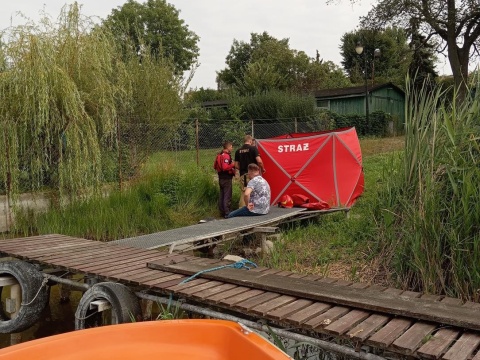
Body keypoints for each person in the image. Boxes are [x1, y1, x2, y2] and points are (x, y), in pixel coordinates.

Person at [234, 135, 265, 207]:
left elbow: (236, 165)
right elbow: (259, 161)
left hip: (243, 175)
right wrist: (262, 169)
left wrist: (243, 168)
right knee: (255, 192)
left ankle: (242, 209)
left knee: (244, 192)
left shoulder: (238, 151)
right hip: (253, 176)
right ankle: (256, 208)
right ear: (250, 141)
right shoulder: (253, 148)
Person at [216, 141, 235, 218]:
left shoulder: (220, 154)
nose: (232, 148)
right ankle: (227, 213)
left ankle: (222, 211)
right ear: (228, 147)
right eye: (231, 147)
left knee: (222, 195)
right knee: (227, 195)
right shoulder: (226, 156)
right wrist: (233, 164)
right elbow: (224, 167)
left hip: (221, 178)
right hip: (226, 179)